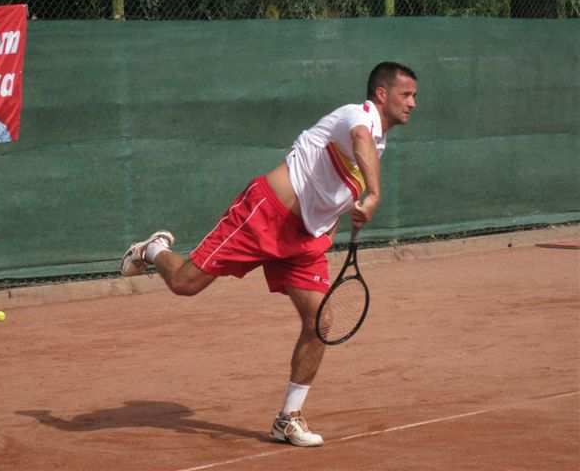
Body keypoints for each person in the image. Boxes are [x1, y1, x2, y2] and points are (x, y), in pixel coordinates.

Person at [120, 61, 418, 447]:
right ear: (382, 94)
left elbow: (334, 188)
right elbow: (359, 140)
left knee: (321, 322)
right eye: (406, 94)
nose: (413, 103)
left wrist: (341, 219)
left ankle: (288, 418)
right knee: (185, 283)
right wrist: (374, 195)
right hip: (264, 214)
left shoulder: (379, 146)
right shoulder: (357, 119)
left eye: (414, 96)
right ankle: (153, 249)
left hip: (304, 238)